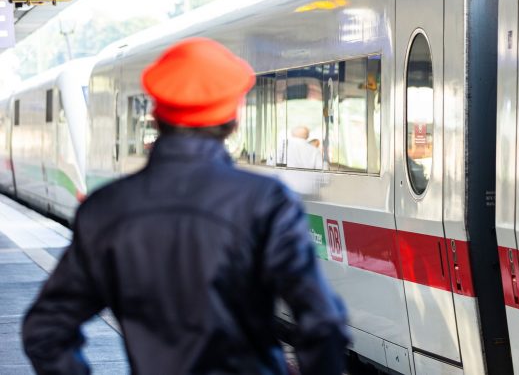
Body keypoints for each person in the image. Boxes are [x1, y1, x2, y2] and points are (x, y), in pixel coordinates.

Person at [22, 37, 350, 375]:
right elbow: (323, 323)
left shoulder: (106, 208)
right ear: (233, 120)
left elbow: (45, 330)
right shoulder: (266, 202)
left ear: (156, 116)